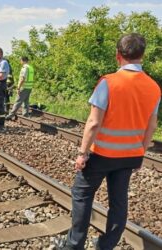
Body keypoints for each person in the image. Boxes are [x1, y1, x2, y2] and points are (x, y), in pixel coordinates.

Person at [62, 33, 160, 250]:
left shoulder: (109, 82)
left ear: (118, 55)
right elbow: (151, 126)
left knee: (81, 194)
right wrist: (140, 152)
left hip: (102, 155)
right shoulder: (154, 87)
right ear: (142, 55)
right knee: (118, 202)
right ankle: (105, 246)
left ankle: (74, 245)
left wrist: (82, 154)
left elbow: (94, 123)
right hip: (130, 156)